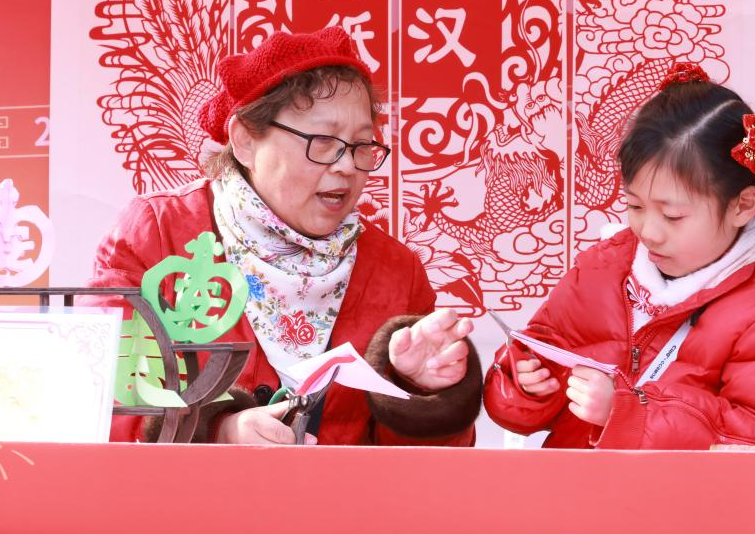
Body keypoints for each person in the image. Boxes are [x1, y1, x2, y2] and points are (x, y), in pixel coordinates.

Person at [88, 27, 481, 445]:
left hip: (339, 492)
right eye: (323, 141)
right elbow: (103, 398)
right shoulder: (157, 232)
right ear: (244, 140)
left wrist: (419, 390)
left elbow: (421, 469)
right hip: (193, 490)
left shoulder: (396, 270)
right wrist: (217, 431)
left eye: (361, 145)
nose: (347, 166)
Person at [484, 62, 755, 449]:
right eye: (635, 206)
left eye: (672, 216)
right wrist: (528, 384)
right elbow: (538, 356)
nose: (648, 231)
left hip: (680, 493)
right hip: (574, 486)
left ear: (743, 205)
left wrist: (628, 414)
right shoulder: (605, 265)